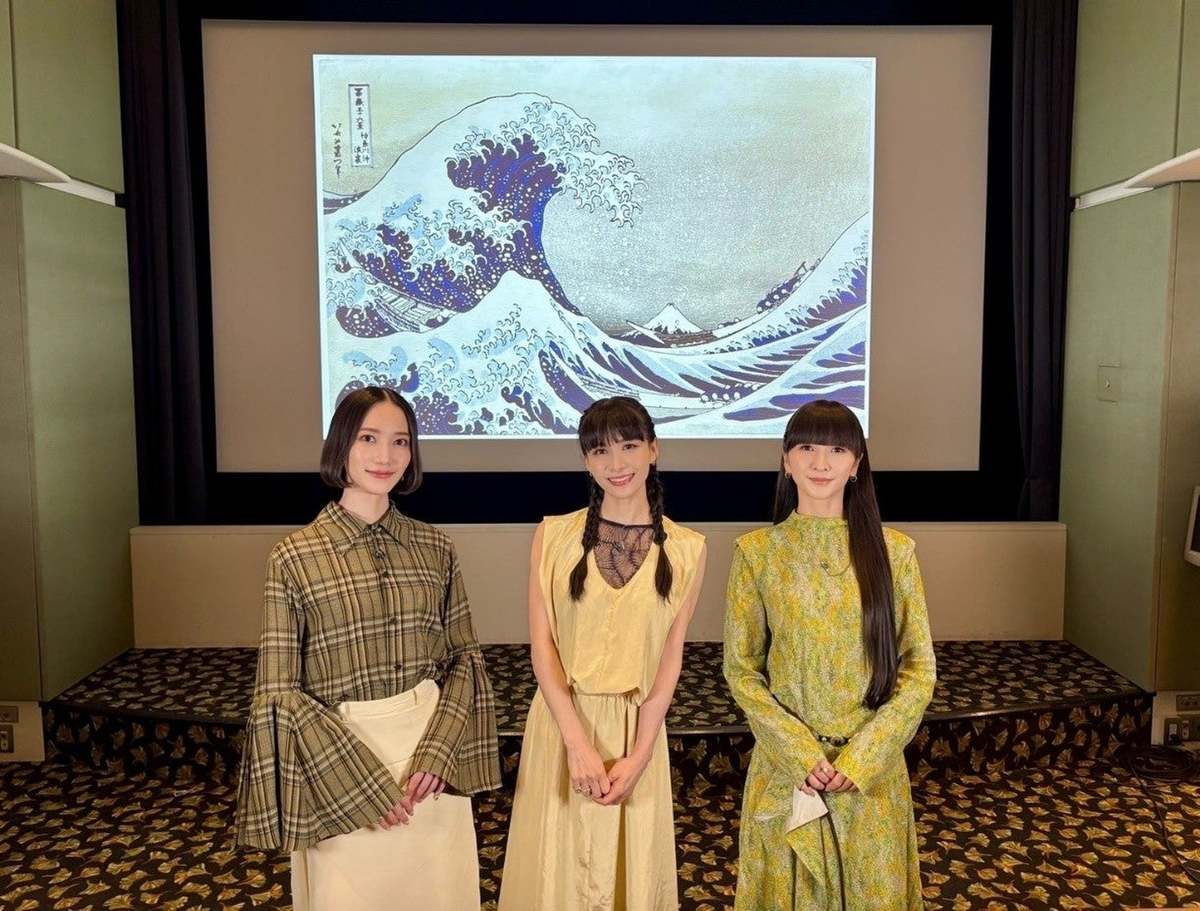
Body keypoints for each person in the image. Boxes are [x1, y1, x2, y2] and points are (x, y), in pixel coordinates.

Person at [233, 385, 500, 910]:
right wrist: (363, 787)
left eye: (400, 441)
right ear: (341, 446)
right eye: (368, 438)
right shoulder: (294, 557)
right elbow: (279, 692)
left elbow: (464, 658)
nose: (385, 456)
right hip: (338, 765)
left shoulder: (435, 547)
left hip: (430, 767)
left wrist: (439, 753)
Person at [724, 399, 936, 910]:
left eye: (837, 450)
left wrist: (864, 756)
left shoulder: (895, 552)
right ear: (786, 460)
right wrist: (799, 753)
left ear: (856, 463)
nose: (821, 463)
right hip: (787, 773)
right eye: (807, 448)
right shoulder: (757, 552)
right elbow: (742, 670)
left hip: (871, 779)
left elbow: (919, 668)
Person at [499, 396, 707, 911]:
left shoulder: (689, 549)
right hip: (562, 724)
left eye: (629, 446)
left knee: (629, 877)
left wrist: (640, 756)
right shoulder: (553, 535)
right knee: (556, 877)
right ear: (586, 461)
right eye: (600, 451)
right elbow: (543, 648)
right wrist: (576, 744)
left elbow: (670, 661)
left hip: (637, 733)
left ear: (654, 449)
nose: (616, 464)